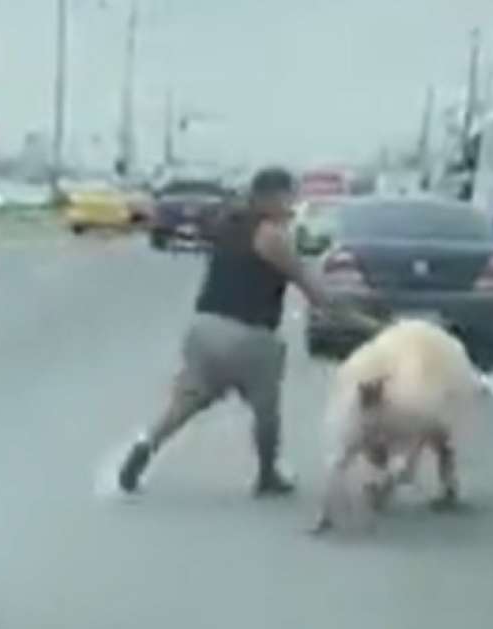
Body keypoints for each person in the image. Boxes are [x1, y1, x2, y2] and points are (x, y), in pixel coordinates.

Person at [116, 166, 376, 496]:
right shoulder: (271, 236)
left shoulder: (228, 224)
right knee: (266, 410)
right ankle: (267, 475)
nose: (292, 206)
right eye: (288, 198)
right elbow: (314, 291)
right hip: (249, 335)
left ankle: (145, 447)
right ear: (272, 197)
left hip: (204, 329)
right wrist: (368, 325)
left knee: (184, 402)